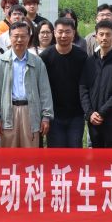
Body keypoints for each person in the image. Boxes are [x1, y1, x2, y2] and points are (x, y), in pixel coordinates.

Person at [0, 24, 53, 148]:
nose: (19, 40)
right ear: (10, 37)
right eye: (16, 36)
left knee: (30, 154)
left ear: (29, 37)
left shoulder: (37, 62)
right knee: (9, 153)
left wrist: (46, 117)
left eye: (23, 36)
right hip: (8, 111)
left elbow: (45, 91)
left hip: (30, 111)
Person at [37, 18, 93, 148]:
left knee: (75, 150)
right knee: (56, 152)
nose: (63, 35)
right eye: (60, 31)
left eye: (67, 32)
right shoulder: (45, 57)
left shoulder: (82, 56)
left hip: (76, 115)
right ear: (54, 33)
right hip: (53, 115)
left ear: (74, 33)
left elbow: (85, 85)